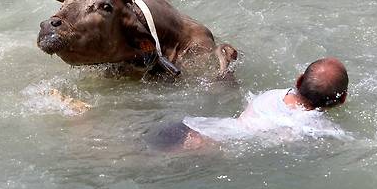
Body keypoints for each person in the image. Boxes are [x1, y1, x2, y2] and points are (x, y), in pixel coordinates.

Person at [146, 57, 349, 150]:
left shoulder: (272, 95)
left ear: (298, 81)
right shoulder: (313, 127)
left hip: (192, 126)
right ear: (342, 100)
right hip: (205, 147)